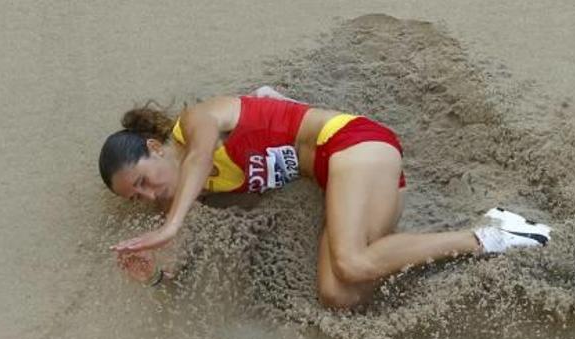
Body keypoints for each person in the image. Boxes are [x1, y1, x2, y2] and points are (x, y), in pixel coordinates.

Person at [101, 86, 551, 309]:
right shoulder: (191, 196)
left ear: (155, 148)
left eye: (142, 181)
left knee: (352, 262)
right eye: (136, 198)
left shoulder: (195, 124)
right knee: (339, 294)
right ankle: (482, 234)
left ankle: (492, 235)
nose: (148, 195)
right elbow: (190, 263)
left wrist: (170, 225)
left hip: (355, 143)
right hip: (354, 183)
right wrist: (157, 278)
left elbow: (200, 157)